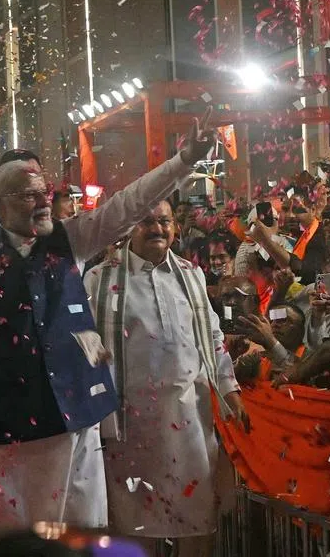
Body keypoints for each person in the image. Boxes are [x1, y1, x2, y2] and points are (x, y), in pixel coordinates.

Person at [0, 111, 219, 546]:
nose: (44, 201)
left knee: (79, 538)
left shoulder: (70, 240)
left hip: (72, 422)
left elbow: (130, 204)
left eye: (45, 191)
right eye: (29, 195)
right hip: (0, 431)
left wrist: (184, 160)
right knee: (10, 543)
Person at [85, 200, 246, 555]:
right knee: (134, 525)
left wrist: (229, 390)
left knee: (197, 521)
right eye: (146, 222)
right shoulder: (101, 278)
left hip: (189, 422)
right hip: (130, 427)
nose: (157, 229)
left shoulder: (192, 274)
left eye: (164, 221)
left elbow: (211, 337)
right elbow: (86, 345)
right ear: (129, 226)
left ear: (175, 228)